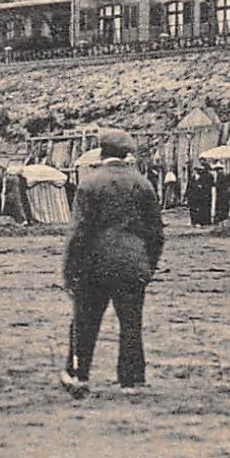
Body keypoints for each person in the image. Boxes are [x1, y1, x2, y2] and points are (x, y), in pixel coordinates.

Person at [61, 129, 164, 397]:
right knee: (131, 322)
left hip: (95, 265)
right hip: (133, 264)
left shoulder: (89, 183)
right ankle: (132, 379)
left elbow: (79, 233)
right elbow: (156, 233)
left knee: (85, 321)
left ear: (101, 152)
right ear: (127, 153)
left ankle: (79, 374)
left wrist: (70, 270)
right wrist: (147, 265)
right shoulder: (143, 184)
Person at [189, 162, 214, 226]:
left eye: (200, 170)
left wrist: (202, 187)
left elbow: (207, 186)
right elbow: (189, 186)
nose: (199, 171)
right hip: (193, 195)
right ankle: (193, 221)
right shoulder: (192, 177)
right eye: (197, 170)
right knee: (193, 209)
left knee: (201, 209)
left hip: (201, 195)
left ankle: (201, 221)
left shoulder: (204, 177)